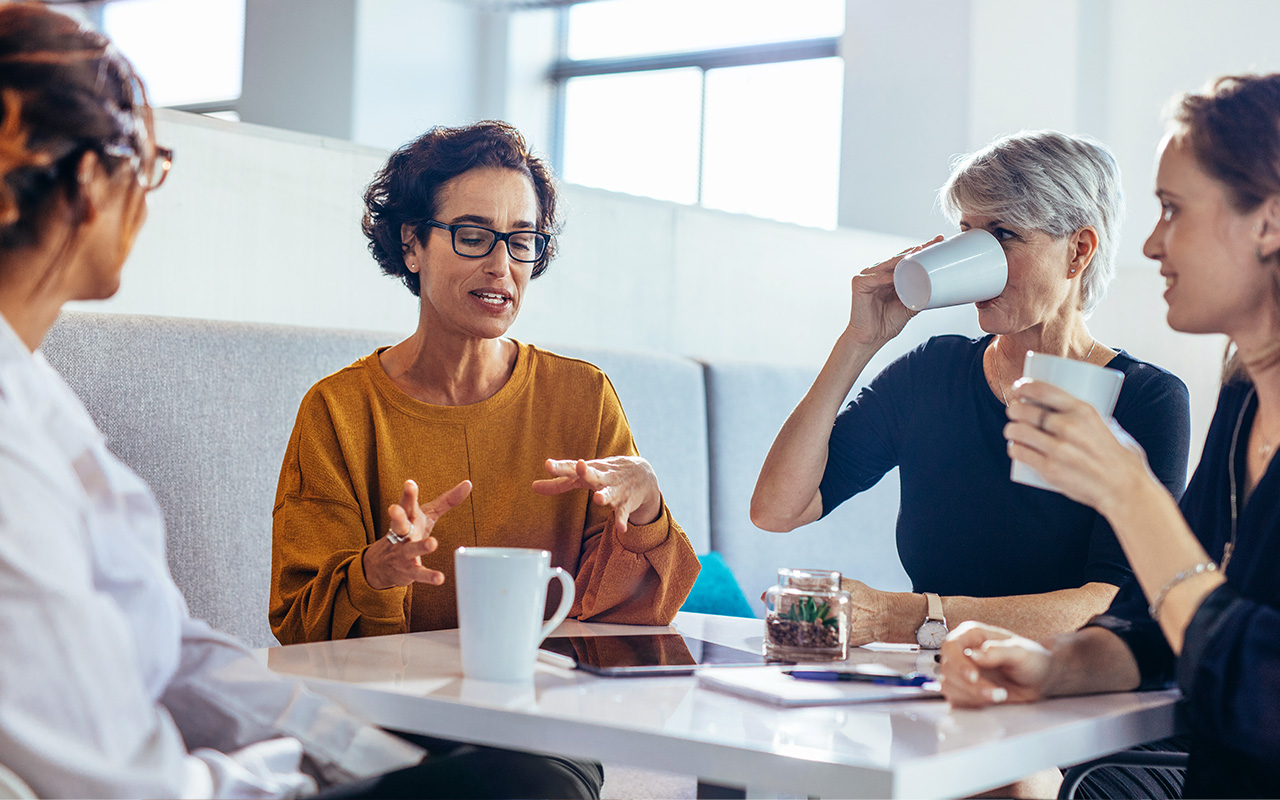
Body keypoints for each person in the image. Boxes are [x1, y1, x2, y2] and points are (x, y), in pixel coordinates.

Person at [0, 6, 600, 798]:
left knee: (519, 778)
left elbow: (176, 652)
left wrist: (370, 763)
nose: (501, 263)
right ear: (86, 183)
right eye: (148, 166)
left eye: (520, 238)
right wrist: (303, 779)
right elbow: (123, 780)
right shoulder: (13, 445)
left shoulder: (37, 391)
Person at [939, 73, 1280, 799]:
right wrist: (1054, 667)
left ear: (1269, 222)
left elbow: (1263, 688)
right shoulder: (1246, 399)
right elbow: (1161, 628)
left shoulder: (1163, 397)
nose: (1152, 244)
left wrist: (1128, 492)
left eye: (1172, 210)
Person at [751, 131, 1191, 649]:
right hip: (934, 691)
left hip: (1067, 698)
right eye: (967, 231)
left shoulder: (1143, 399)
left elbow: (1109, 602)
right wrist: (859, 341)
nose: (979, 254)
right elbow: (777, 509)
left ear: (1078, 252)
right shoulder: (931, 373)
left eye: (1003, 233)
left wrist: (911, 617)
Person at [270, 120, 700, 644]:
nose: (501, 265)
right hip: (396, 712)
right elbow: (298, 626)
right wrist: (378, 570)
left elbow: (627, 615)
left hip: (547, 707)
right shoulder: (338, 412)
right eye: (473, 237)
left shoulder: (584, 398)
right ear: (412, 244)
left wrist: (649, 507)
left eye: (522, 241)